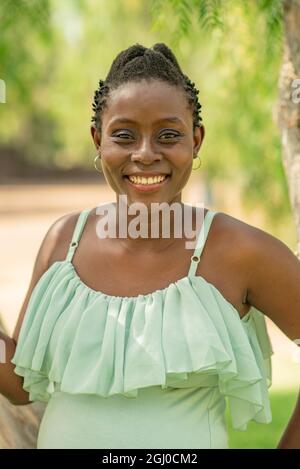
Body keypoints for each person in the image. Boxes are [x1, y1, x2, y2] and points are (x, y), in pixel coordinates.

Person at [1, 42, 300, 449]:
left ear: (196, 141)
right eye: (124, 135)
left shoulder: (239, 251)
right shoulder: (63, 242)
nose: (144, 154)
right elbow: (21, 384)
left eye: (168, 135)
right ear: (97, 140)